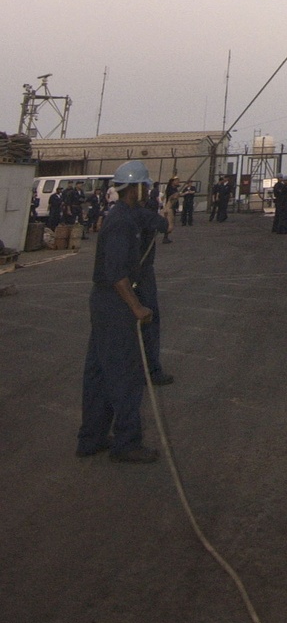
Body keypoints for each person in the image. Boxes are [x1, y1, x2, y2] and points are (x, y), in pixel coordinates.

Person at [76, 160, 159, 464]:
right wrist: (136, 307)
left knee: (98, 372)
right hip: (115, 302)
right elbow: (116, 274)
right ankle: (126, 442)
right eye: (145, 185)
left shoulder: (124, 216)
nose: (148, 190)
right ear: (135, 188)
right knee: (125, 373)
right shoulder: (121, 222)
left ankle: (92, 438)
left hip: (103, 302)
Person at [136, 198, 174, 388]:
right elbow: (168, 227)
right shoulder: (146, 216)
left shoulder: (120, 215)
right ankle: (152, 370)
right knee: (150, 321)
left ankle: (132, 369)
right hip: (142, 274)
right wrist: (169, 208)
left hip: (125, 274)